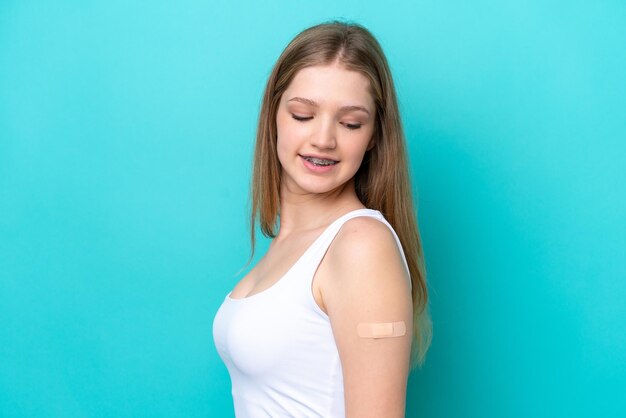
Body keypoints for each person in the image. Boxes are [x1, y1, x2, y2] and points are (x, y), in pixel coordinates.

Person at [212, 20, 432, 418]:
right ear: (273, 115)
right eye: (302, 115)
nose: (324, 139)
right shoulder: (292, 243)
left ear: (374, 136)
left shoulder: (361, 245)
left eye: (350, 123)